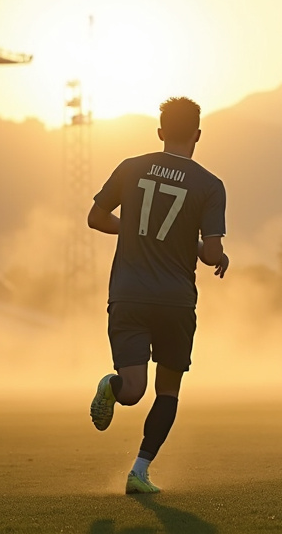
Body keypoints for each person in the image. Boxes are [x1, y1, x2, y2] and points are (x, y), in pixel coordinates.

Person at [86, 96, 228, 494]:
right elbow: (212, 253)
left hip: (128, 296)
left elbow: (95, 218)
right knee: (168, 390)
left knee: (133, 391)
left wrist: (131, 229)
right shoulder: (210, 185)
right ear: (198, 135)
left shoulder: (131, 168)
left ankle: (112, 389)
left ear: (160, 131)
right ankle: (139, 472)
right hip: (175, 301)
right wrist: (209, 252)